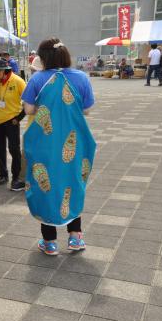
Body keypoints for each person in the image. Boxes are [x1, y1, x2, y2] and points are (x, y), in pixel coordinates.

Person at [21, 38, 95, 256]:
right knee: (73, 183)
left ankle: (50, 241)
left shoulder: (37, 79)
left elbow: (28, 109)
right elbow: (87, 109)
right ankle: (75, 238)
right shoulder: (81, 78)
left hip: (45, 143)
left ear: (43, 58)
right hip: (75, 141)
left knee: (44, 184)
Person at [0, 57, 26, 191]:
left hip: (12, 120)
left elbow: (28, 100)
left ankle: (16, 177)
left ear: (2, 70)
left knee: (14, 149)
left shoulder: (18, 81)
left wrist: (19, 117)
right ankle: (3, 175)